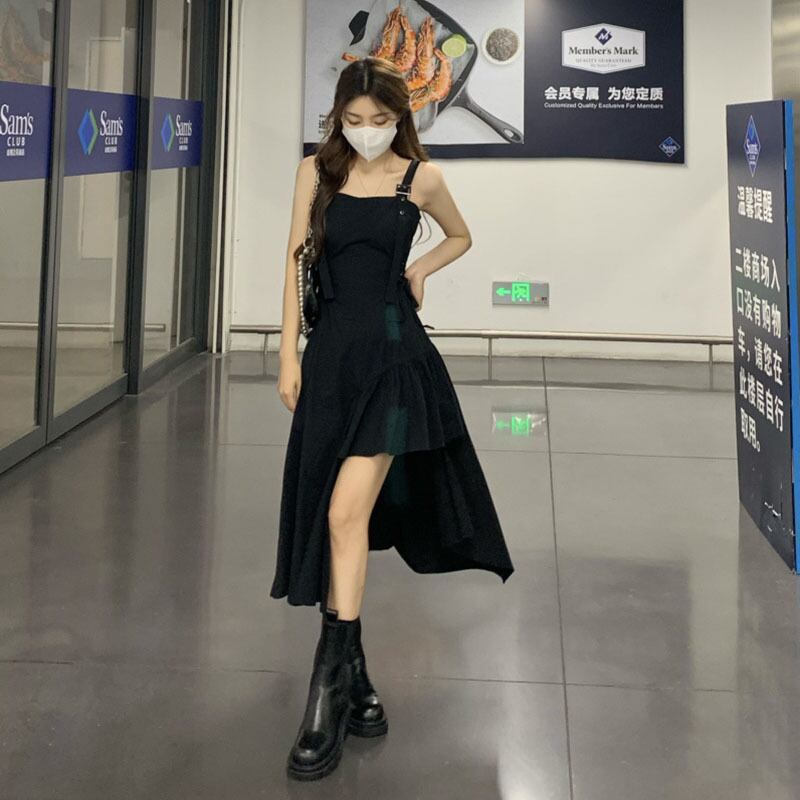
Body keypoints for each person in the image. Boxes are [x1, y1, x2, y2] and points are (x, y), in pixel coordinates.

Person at [271, 56, 515, 781]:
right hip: (331, 364)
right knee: (335, 515)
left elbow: (460, 236)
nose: (367, 131)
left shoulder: (421, 179)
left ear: (400, 118)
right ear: (337, 117)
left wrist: (420, 269)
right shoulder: (315, 173)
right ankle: (356, 676)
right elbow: (295, 261)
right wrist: (286, 354)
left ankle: (326, 690)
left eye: (380, 120)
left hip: (397, 360)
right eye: (354, 120)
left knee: (345, 514)